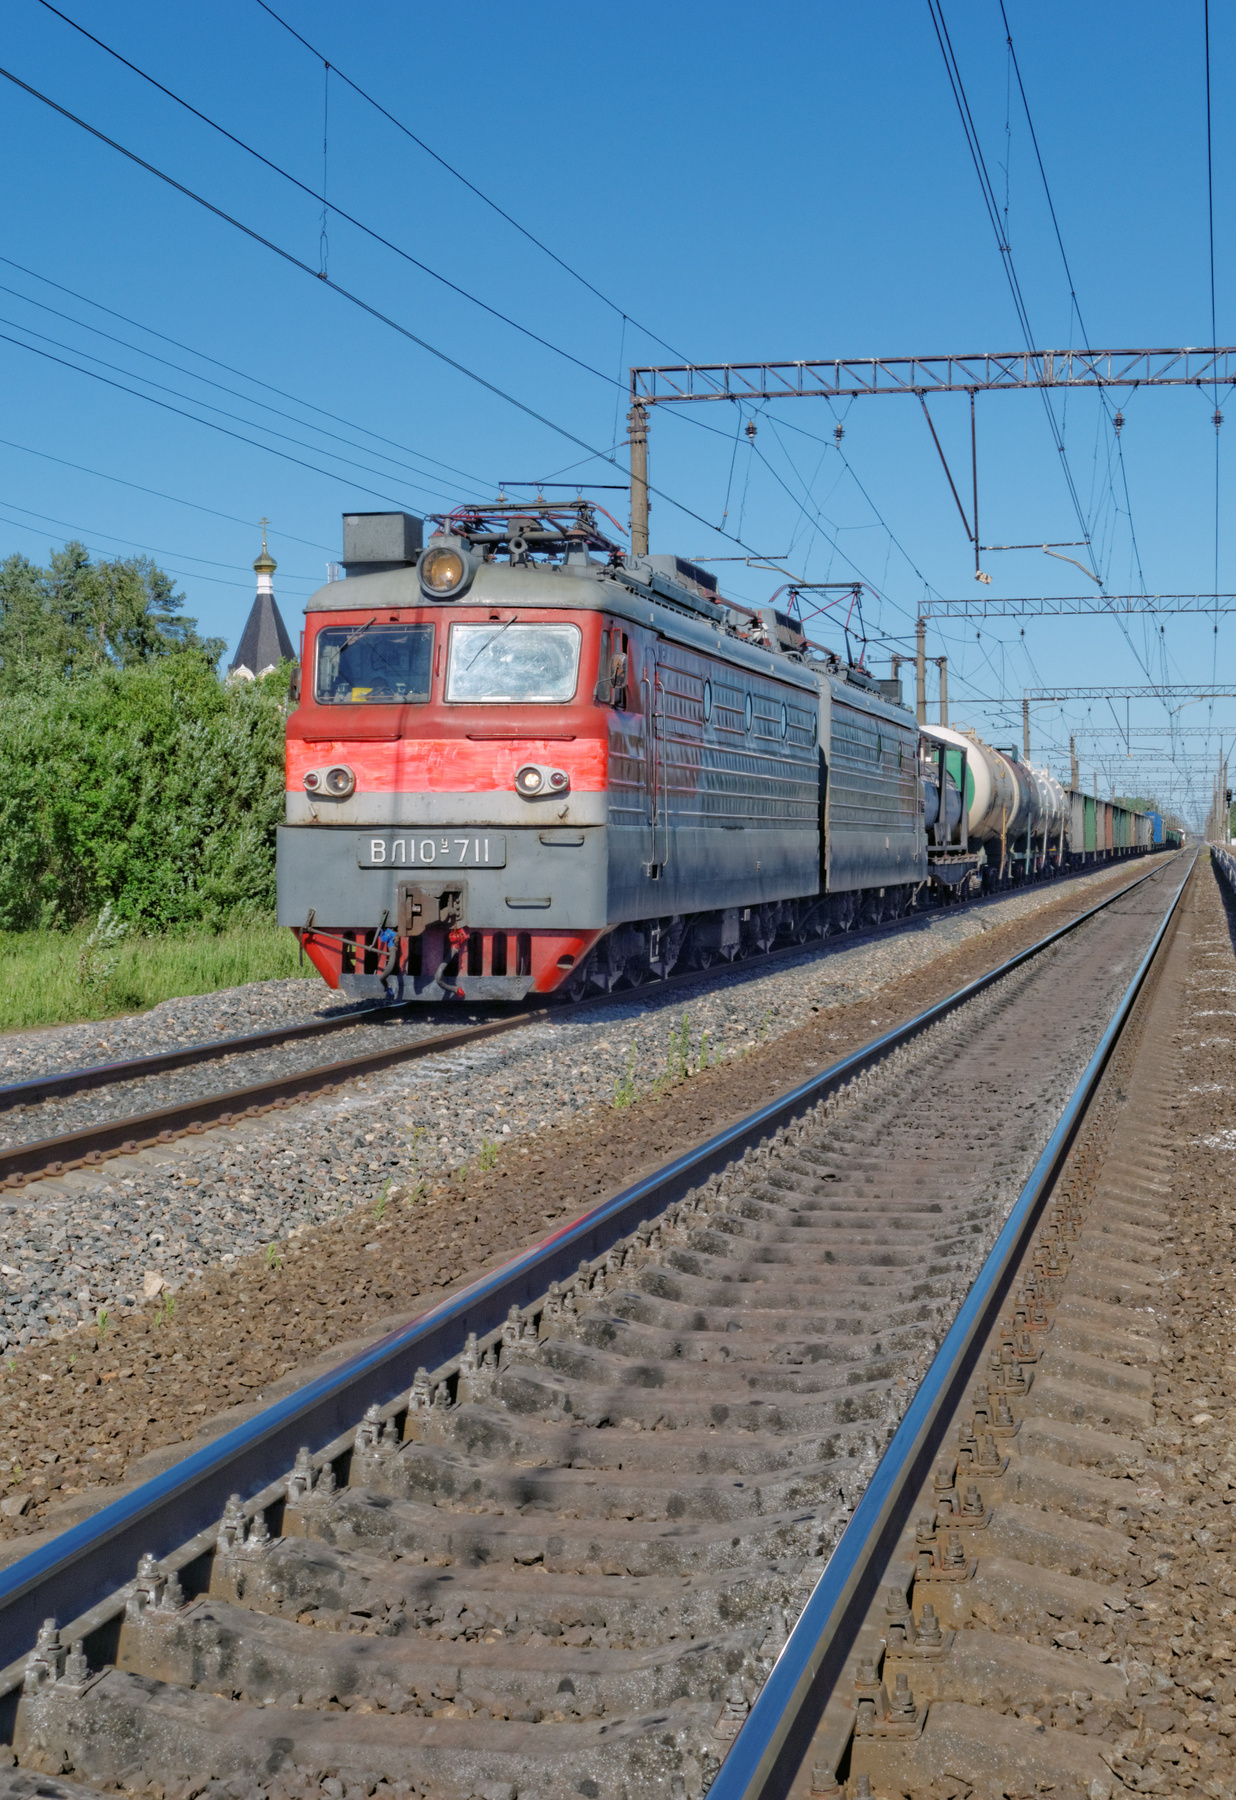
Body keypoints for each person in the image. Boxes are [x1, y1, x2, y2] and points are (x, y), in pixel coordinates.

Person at [377, 925, 404, 1003]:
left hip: (392, 948)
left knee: (382, 978)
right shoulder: (392, 934)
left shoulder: (390, 933)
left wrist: (381, 933)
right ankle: (389, 991)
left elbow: (384, 939)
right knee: (383, 977)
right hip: (392, 948)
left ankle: (389, 991)